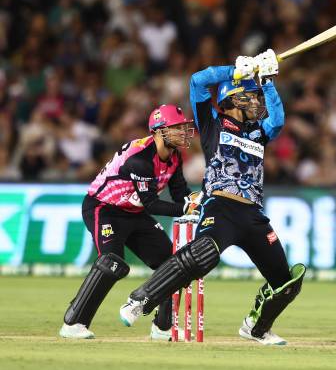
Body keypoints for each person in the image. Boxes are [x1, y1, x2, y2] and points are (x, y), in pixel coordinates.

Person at [118, 49, 306, 345]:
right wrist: (235, 70)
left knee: (287, 283)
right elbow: (197, 81)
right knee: (203, 255)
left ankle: (256, 328)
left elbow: (278, 121)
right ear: (233, 100)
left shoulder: (258, 132)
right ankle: (140, 300)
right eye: (252, 96)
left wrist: (268, 81)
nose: (257, 103)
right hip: (221, 207)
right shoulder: (212, 124)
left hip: (253, 216)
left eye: (258, 97)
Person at [59, 104, 202, 340]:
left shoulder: (174, 157)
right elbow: (153, 204)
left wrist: (199, 200)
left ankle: (162, 327)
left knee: (173, 265)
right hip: (104, 208)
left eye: (182, 127)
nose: (182, 132)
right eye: (176, 128)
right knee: (111, 264)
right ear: (159, 131)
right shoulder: (141, 159)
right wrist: (187, 207)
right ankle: (74, 323)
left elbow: (180, 195)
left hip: (133, 212)